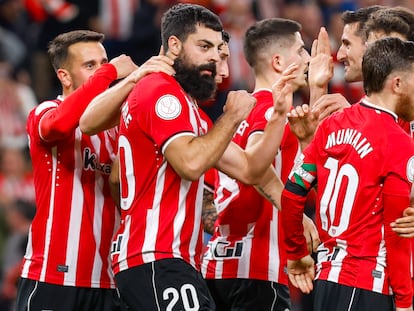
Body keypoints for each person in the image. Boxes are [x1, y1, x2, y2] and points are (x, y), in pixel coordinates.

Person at [110, 3, 296, 310]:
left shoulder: (191, 111)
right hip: (157, 257)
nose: (214, 58)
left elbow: (250, 169)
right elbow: (191, 164)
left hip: (168, 259)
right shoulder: (161, 90)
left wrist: (277, 116)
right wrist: (233, 117)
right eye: (204, 46)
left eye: (219, 50)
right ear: (174, 45)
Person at [201, 17, 330, 310]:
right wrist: (296, 214)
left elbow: (210, 190)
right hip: (258, 269)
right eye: (300, 51)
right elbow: (254, 163)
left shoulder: (234, 114)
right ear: (277, 61)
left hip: (219, 263)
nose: (307, 58)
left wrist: (318, 90)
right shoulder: (270, 110)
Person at [15, 29, 146, 311]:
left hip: (109, 281)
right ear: (64, 76)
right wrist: (110, 72)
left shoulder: (118, 129)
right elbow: (60, 125)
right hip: (53, 277)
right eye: (90, 66)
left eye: (103, 61)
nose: (101, 70)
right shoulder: (46, 111)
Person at [281, 37, 414, 311]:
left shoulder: (330, 126)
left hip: (327, 278)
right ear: (397, 84)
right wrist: (405, 302)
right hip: (368, 284)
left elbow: (292, 193)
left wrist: (296, 253)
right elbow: (396, 232)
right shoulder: (399, 143)